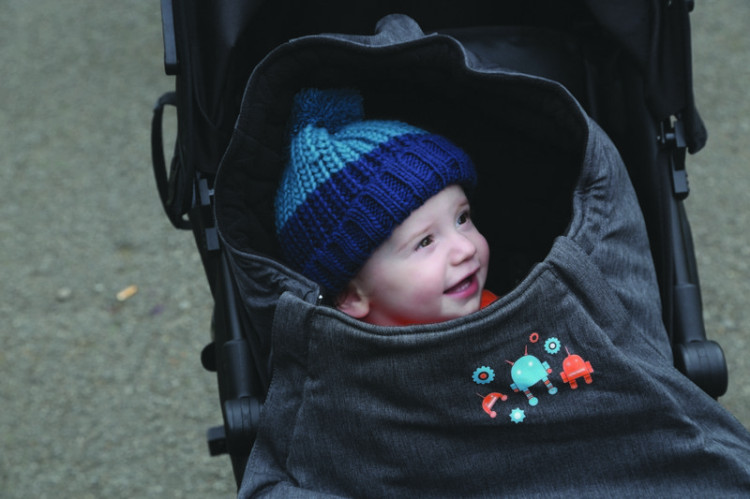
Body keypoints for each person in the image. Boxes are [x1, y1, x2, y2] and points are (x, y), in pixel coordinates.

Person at [275, 87, 496, 326]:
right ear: (351, 295)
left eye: (462, 218)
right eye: (425, 241)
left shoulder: (507, 315)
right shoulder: (339, 352)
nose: (466, 248)